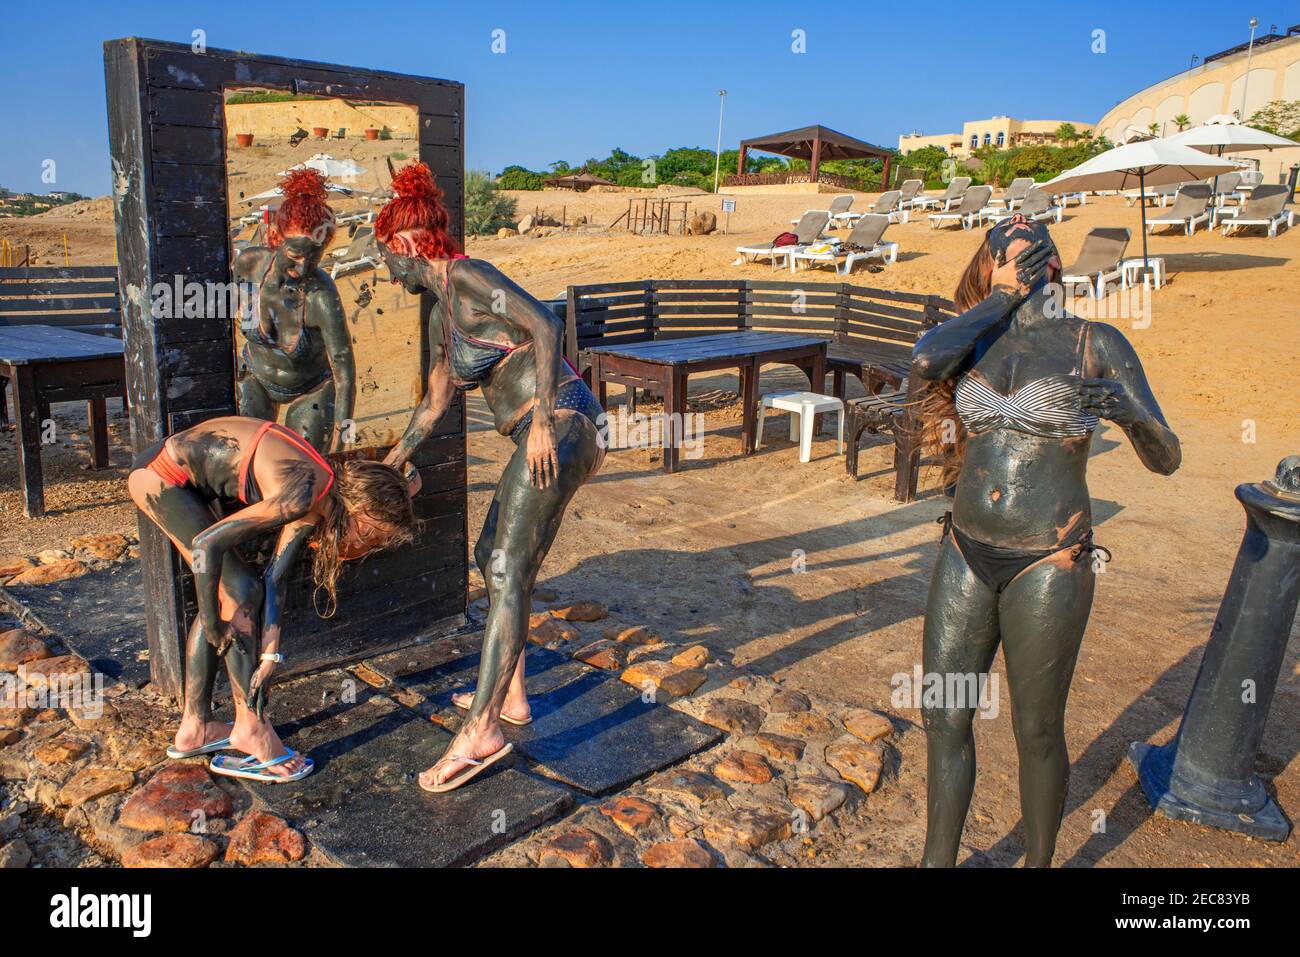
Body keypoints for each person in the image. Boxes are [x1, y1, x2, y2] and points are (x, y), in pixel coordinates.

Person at [911, 215, 1181, 866]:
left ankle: (1037, 862)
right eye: (1005, 246)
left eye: (1035, 245)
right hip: (966, 548)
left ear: (1056, 264)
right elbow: (924, 359)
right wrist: (1000, 300)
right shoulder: (977, 339)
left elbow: (1167, 455)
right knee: (944, 716)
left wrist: (1121, 404)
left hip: (1048, 558)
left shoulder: (1095, 343)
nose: (1024, 249)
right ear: (990, 264)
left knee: (1035, 729)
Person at [374, 162, 604, 793]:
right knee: (491, 558)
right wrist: (393, 460)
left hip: (564, 421)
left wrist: (539, 425)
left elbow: (546, 325)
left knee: (506, 567)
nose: (385, 272)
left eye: (383, 255)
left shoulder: (469, 276)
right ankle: (514, 698)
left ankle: (482, 732)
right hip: (543, 425)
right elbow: (434, 404)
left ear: (404, 245)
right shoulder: (438, 316)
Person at [127, 416, 417, 782]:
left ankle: (195, 728)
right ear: (361, 512)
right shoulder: (300, 496)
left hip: (186, 482)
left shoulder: (322, 495)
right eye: (372, 537)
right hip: (161, 476)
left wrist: (270, 657)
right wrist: (212, 621)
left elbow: (276, 579)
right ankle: (252, 730)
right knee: (238, 591)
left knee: (240, 590)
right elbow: (205, 545)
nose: (365, 546)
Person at [234, 168, 356, 454]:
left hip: (311, 388)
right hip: (257, 377)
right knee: (244, 458)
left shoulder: (321, 296)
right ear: (276, 238)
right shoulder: (248, 266)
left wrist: (345, 437)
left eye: (315, 257)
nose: (303, 267)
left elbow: (345, 371)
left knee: (301, 468)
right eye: (295, 255)